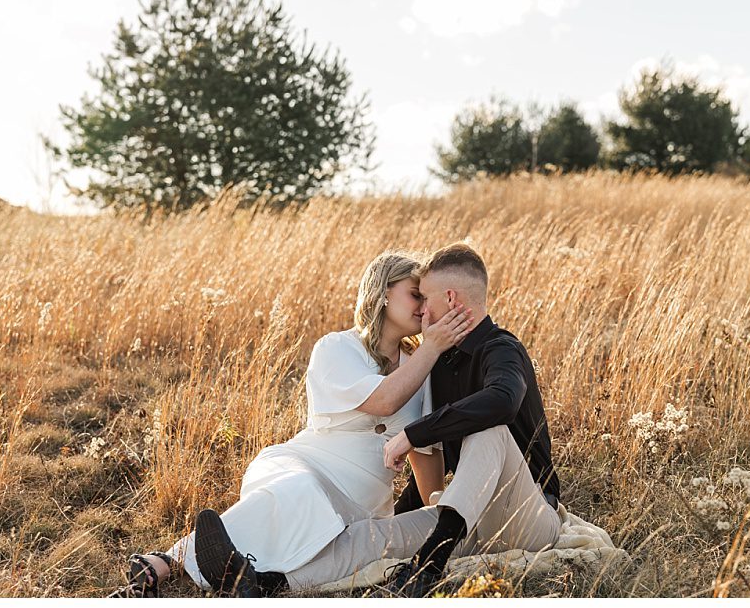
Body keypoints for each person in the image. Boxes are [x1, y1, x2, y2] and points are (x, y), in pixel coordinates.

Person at [108, 250, 476, 597]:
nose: (425, 307)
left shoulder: (423, 366)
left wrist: (436, 514)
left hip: (363, 499)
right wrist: (432, 347)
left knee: (343, 539)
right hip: (307, 465)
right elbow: (383, 401)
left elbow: (424, 450)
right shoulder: (336, 349)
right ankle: (168, 562)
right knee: (298, 493)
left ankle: (242, 576)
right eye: (415, 295)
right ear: (382, 293)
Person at [278, 242, 562, 597]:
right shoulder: (437, 365)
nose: (422, 310)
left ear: (451, 298)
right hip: (464, 518)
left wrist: (413, 433)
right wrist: (402, 515)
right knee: (374, 533)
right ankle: (267, 583)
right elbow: (432, 464)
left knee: (489, 431)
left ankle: (428, 567)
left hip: (528, 516)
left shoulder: (501, 349)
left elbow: (502, 402)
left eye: (424, 298)